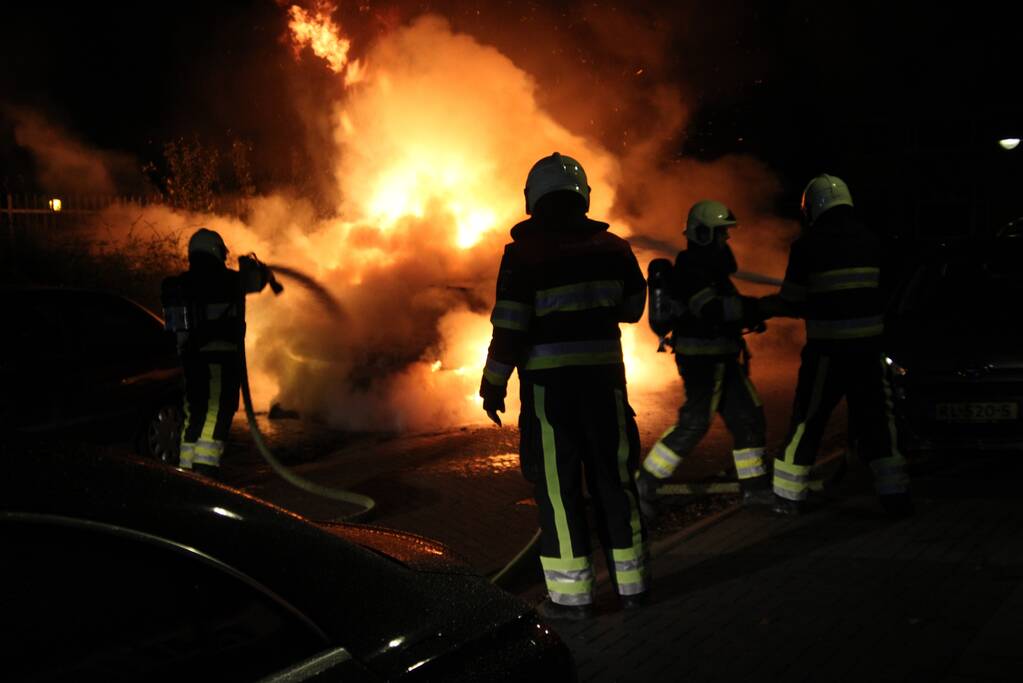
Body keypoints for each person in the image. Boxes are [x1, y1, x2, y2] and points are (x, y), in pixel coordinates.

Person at [479, 152, 649, 620]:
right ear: (582, 195)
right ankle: (634, 588)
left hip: (550, 395)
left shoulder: (522, 255)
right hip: (605, 388)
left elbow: (510, 327)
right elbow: (633, 309)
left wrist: (493, 384)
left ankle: (572, 600)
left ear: (533, 198)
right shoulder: (614, 248)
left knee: (558, 491)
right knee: (615, 483)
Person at [759, 174, 911, 516]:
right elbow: (889, 293)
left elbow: (793, 300)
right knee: (879, 423)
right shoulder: (874, 241)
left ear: (812, 207)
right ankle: (895, 496)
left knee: (807, 422)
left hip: (827, 353)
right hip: (870, 353)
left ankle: (787, 498)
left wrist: (762, 307)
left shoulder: (808, 245)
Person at [635, 200, 772, 517]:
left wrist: (749, 314)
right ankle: (645, 485)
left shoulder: (710, 270)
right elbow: (712, 309)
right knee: (694, 423)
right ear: (703, 233)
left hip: (723, 358)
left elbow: (727, 308)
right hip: (702, 361)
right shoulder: (692, 270)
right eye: (722, 234)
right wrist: (761, 308)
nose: (727, 240)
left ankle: (756, 491)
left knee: (748, 420)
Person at [161, 228, 277, 479]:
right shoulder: (227, 281)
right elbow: (258, 282)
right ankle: (204, 473)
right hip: (219, 361)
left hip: (190, 361)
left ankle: (185, 474)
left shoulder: (180, 284)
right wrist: (261, 270)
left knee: (195, 415)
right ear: (216, 251)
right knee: (216, 412)